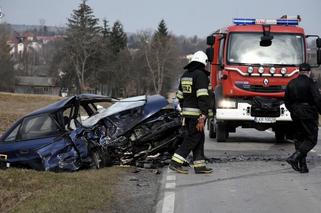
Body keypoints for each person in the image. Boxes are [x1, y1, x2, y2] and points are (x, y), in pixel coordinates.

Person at [169, 50, 213, 174]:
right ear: (203, 63)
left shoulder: (185, 75)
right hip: (197, 115)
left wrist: (184, 109)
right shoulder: (201, 75)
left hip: (188, 114)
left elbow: (180, 96)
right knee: (192, 139)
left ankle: (199, 166)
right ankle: (175, 162)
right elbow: (203, 97)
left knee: (199, 139)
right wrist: (203, 115)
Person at [284, 63, 321, 173]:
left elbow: (286, 101)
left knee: (299, 139)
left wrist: (293, 110)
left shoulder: (291, 83)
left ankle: (303, 166)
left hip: (295, 113)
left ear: (299, 71)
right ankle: (294, 157)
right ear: (309, 72)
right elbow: (317, 99)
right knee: (311, 139)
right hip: (308, 113)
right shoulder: (311, 83)